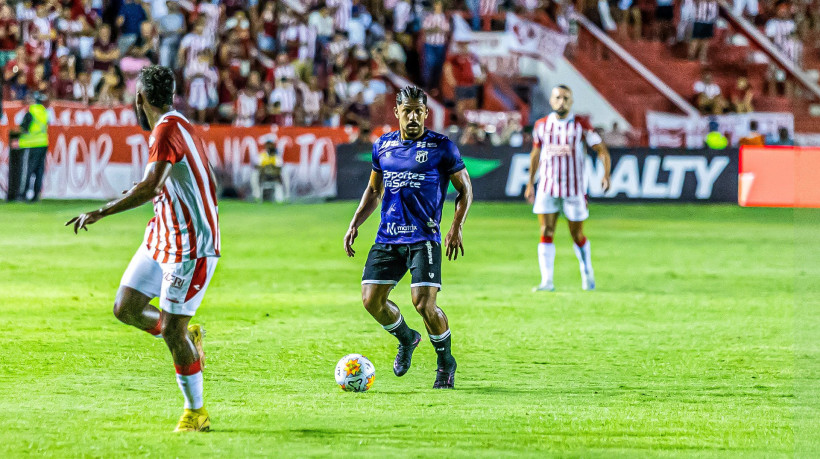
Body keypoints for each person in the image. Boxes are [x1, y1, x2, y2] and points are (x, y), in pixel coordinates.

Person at [65, 65, 220, 433]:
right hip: (160, 236)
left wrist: (100, 211)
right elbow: (188, 179)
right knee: (126, 307)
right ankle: (186, 333)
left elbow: (152, 186)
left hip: (190, 248)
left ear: (140, 98)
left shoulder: (167, 127)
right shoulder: (178, 124)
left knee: (170, 332)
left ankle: (196, 412)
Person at [343, 86, 473, 389]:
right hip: (388, 236)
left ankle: (445, 363)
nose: (413, 116)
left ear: (426, 113)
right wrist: (355, 223)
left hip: (424, 238)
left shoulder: (442, 147)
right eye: (407, 110)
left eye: (419, 111)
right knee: (370, 300)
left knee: (424, 305)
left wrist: (456, 227)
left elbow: (465, 190)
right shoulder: (383, 146)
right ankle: (407, 337)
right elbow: (375, 190)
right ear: (397, 112)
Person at [525, 85, 612, 292]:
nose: (561, 101)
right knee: (546, 230)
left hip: (574, 188)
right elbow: (535, 154)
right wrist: (530, 182)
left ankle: (587, 270)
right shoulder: (542, 125)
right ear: (551, 101)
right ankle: (547, 281)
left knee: (577, 235)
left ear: (571, 102)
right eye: (557, 97)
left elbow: (602, 150)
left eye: (566, 98)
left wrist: (606, 174)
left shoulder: (581, 125)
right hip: (547, 185)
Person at [19, 92, 50, 202]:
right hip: (43, 143)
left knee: (28, 170)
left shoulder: (30, 112)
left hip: (31, 144)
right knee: (39, 171)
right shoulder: (44, 112)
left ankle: (23, 194)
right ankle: (36, 195)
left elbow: (24, 127)